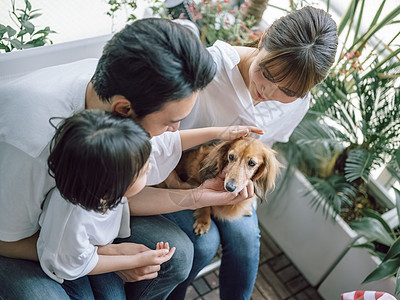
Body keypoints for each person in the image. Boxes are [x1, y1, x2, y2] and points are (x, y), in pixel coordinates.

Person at [0, 18, 257, 299]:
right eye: (172, 121)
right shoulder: (31, 147)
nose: (176, 130)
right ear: (124, 109)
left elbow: (125, 193)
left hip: (76, 233)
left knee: (178, 255)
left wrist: (197, 196)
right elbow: (10, 240)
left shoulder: (118, 98)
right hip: (21, 238)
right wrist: (104, 256)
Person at [165, 6, 339, 299]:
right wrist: (179, 186)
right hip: (180, 175)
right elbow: (159, 136)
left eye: (288, 91)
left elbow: (264, 151)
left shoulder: (297, 104)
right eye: (267, 73)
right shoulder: (211, 66)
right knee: (204, 244)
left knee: (246, 243)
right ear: (264, 37)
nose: (269, 92)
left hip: (234, 187)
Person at [38, 110, 261, 295]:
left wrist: (124, 251)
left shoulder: (101, 190)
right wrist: (127, 261)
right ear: (117, 185)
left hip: (88, 252)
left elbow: (169, 143)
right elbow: (78, 264)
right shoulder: (73, 224)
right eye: (145, 172)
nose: (152, 168)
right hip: (66, 274)